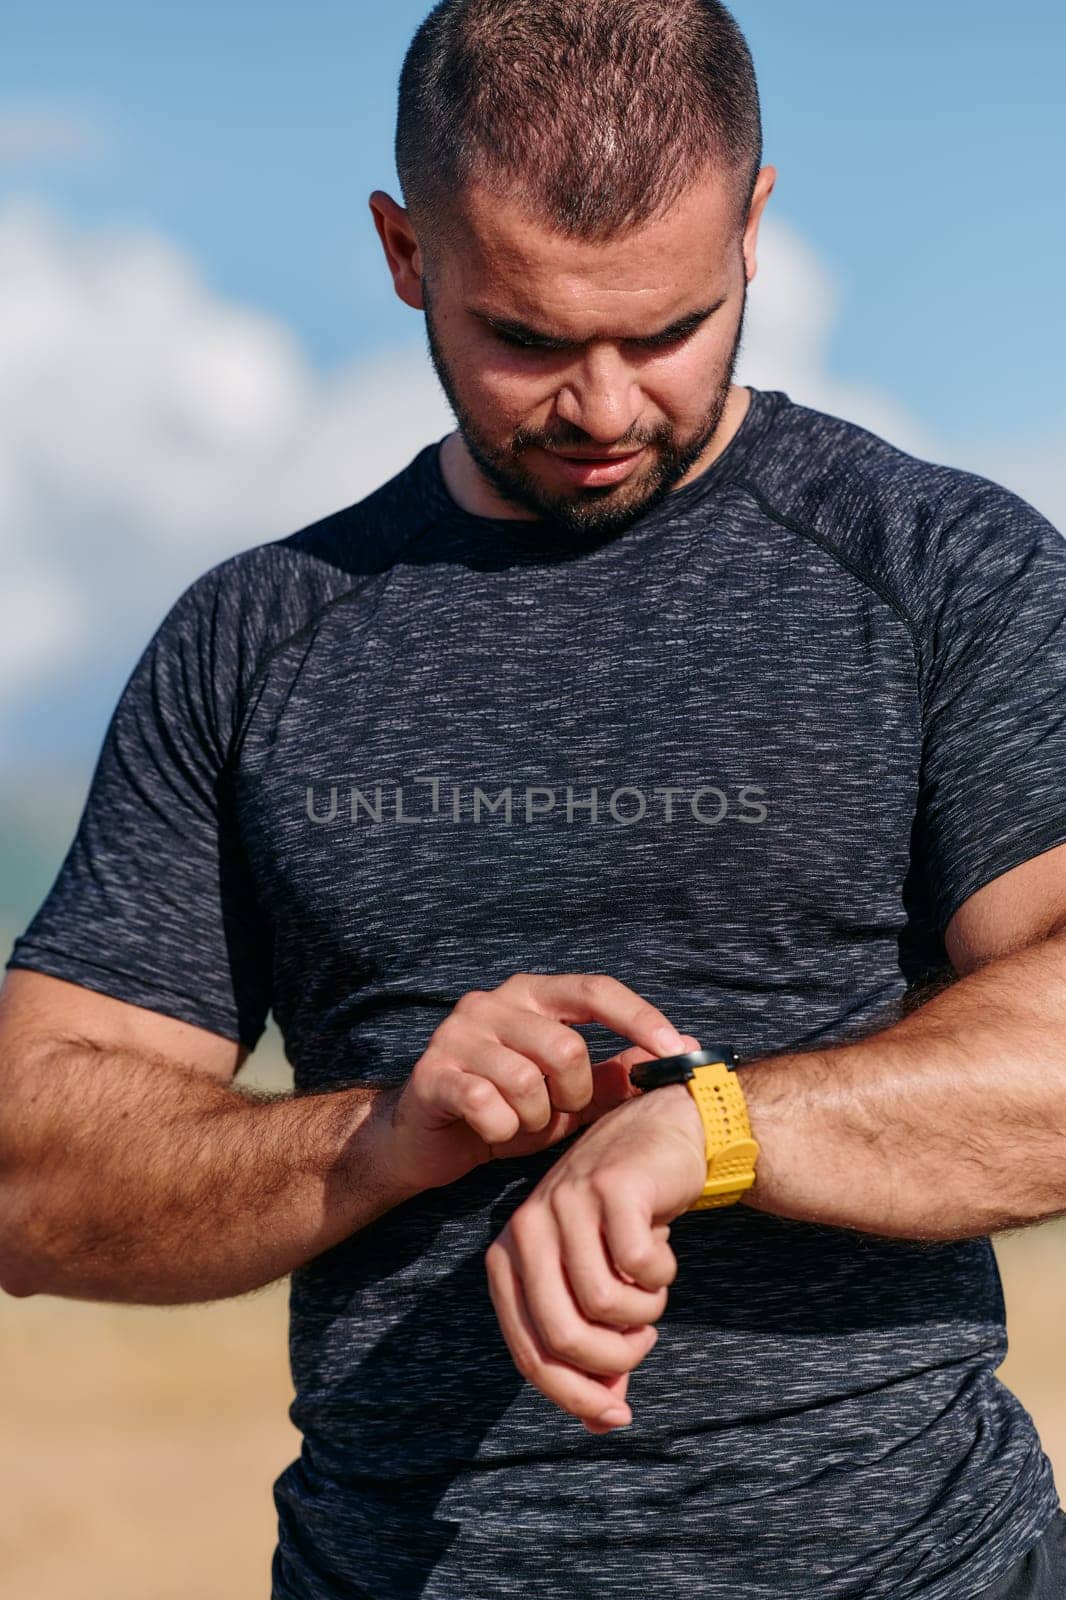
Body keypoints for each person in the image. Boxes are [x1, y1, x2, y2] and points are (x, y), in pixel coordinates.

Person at [2, 0, 1065, 1595]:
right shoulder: (256, 638)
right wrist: (373, 1141)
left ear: (756, 224)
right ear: (402, 250)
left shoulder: (947, 578)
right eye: (527, 338)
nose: (602, 406)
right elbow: (30, 1175)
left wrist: (705, 1131)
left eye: (667, 328)